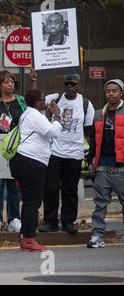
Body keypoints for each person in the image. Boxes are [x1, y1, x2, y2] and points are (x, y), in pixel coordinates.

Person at [0, 69, 37, 233]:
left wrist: (33, 81)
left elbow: (34, 113)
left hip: (18, 148)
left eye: (12, 81)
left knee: (14, 184)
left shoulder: (22, 102)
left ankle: (14, 219)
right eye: (5, 82)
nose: (10, 84)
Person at [39, 74, 95, 234]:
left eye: (73, 84)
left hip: (74, 153)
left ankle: (68, 221)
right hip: (54, 152)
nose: (69, 86)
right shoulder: (53, 99)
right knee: (50, 188)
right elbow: (39, 115)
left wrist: (91, 155)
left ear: (79, 86)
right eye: (67, 84)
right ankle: (50, 221)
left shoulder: (85, 104)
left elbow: (89, 130)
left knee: (70, 190)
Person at [9, 89, 62, 252]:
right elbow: (54, 132)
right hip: (33, 162)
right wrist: (57, 115)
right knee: (33, 202)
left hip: (21, 161)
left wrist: (47, 114)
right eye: (42, 99)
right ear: (38, 102)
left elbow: (41, 128)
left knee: (28, 201)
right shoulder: (34, 115)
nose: (44, 101)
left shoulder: (28, 114)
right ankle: (29, 239)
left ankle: (26, 236)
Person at [86, 79, 124, 248]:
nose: (111, 94)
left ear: (121, 93)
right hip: (102, 167)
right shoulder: (98, 113)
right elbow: (93, 140)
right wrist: (90, 160)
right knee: (100, 204)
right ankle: (97, 235)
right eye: (108, 91)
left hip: (121, 168)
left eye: (114, 91)